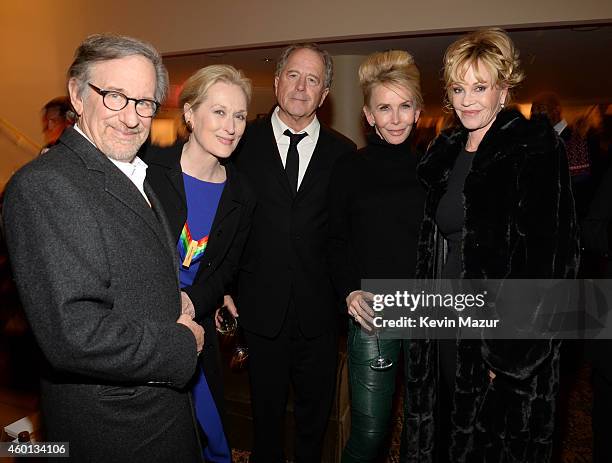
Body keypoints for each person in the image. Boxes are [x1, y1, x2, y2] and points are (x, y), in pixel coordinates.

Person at [2, 34, 204, 462]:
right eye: (115, 96)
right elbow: (75, 333)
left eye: (145, 102)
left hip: (156, 415)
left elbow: (126, 272)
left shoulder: (133, 173)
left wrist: (172, 297)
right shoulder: (45, 185)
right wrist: (180, 343)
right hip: (116, 431)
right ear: (78, 93)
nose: (132, 118)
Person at [404, 28, 579, 463]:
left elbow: (552, 260)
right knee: (447, 435)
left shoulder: (534, 147)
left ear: (504, 89)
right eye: (458, 88)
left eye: (480, 87)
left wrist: (506, 353)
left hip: (499, 342)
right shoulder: (446, 152)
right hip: (443, 326)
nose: (467, 100)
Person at [228, 43, 355, 462]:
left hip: (318, 315)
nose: (302, 87)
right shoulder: (241, 144)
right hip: (259, 311)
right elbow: (227, 222)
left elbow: (347, 235)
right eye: (294, 76)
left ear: (324, 94)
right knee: (264, 418)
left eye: (313, 80)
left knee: (313, 420)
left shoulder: (344, 155)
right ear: (278, 81)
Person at [143, 64, 255, 462]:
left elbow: (226, 270)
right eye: (219, 112)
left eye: (239, 115)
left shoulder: (242, 192)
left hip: (197, 325)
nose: (231, 126)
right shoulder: (148, 171)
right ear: (190, 114)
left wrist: (192, 304)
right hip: (143, 326)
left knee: (213, 436)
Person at [327, 50, 425, 462]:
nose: (396, 118)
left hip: (429, 308)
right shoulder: (350, 167)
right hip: (375, 311)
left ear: (419, 112)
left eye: (405, 106)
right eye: (385, 107)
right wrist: (349, 291)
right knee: (370, 434)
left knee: (425, 426)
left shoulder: (433, 168)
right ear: (368, 115)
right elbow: (334, 238)